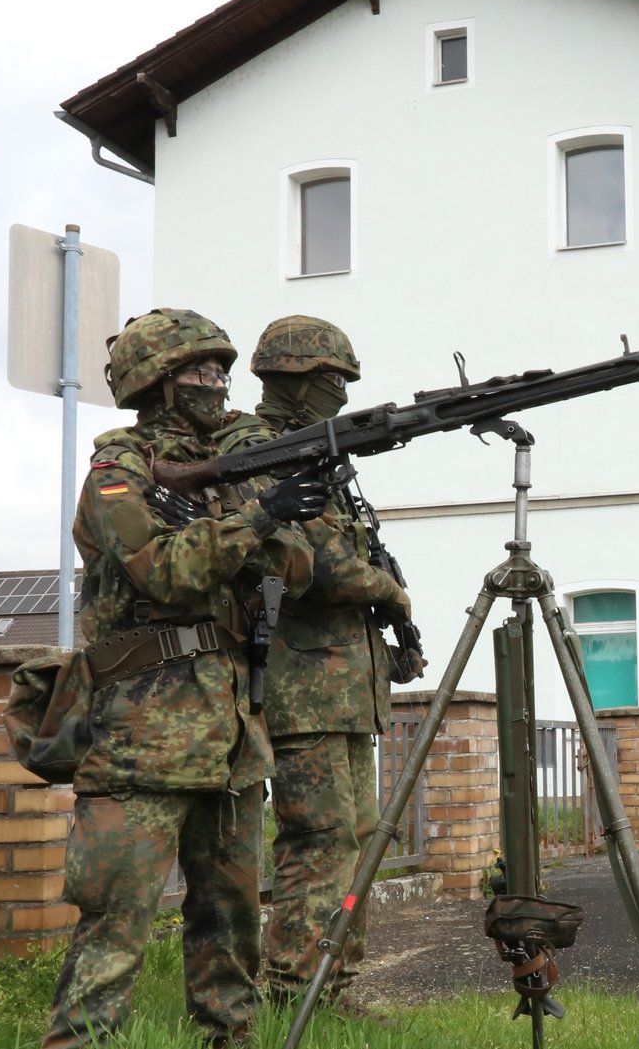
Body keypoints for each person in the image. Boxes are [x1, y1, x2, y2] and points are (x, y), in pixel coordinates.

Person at [44, 308, 328, 1049]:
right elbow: (162, 570)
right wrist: (255, 520)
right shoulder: (118, 473)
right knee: (115, 929)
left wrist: (271, 513)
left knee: (231, 931)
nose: (215, 385)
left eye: (219, 373)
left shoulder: (232, 474)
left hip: (231, 741)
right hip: (140, 742)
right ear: (156, 382)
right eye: (198, 372)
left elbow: (298, 570)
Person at [215, 314, 414, 1007]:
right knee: (320, 836)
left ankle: (334, 984)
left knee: (358, 837)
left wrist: (391, 629)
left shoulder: (317, 451)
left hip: (346, 686)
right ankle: (295, 987)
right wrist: (392, 591)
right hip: (301, 685)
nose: (339, 390)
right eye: (330, 379)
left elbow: (349, 554)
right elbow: (323, 566)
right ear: (293, 378)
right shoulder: (258, 447)